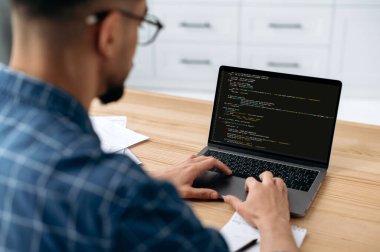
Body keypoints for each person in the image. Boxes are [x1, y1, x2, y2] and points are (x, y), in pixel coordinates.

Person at [0, 0, 298, 251]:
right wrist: (274, 222)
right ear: (111, 33)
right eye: (141, 22)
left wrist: (150, 181)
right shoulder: (122, 198)